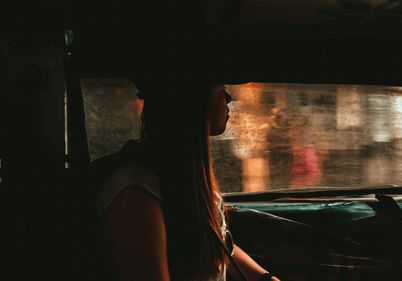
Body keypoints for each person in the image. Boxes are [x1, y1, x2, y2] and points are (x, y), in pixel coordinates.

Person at [93, 82, 281, 281]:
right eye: (219, 90)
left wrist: (266, 279)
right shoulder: (137, 189)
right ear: (193, 102)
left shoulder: (184, 176)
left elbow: (219, 247)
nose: (229, 98)